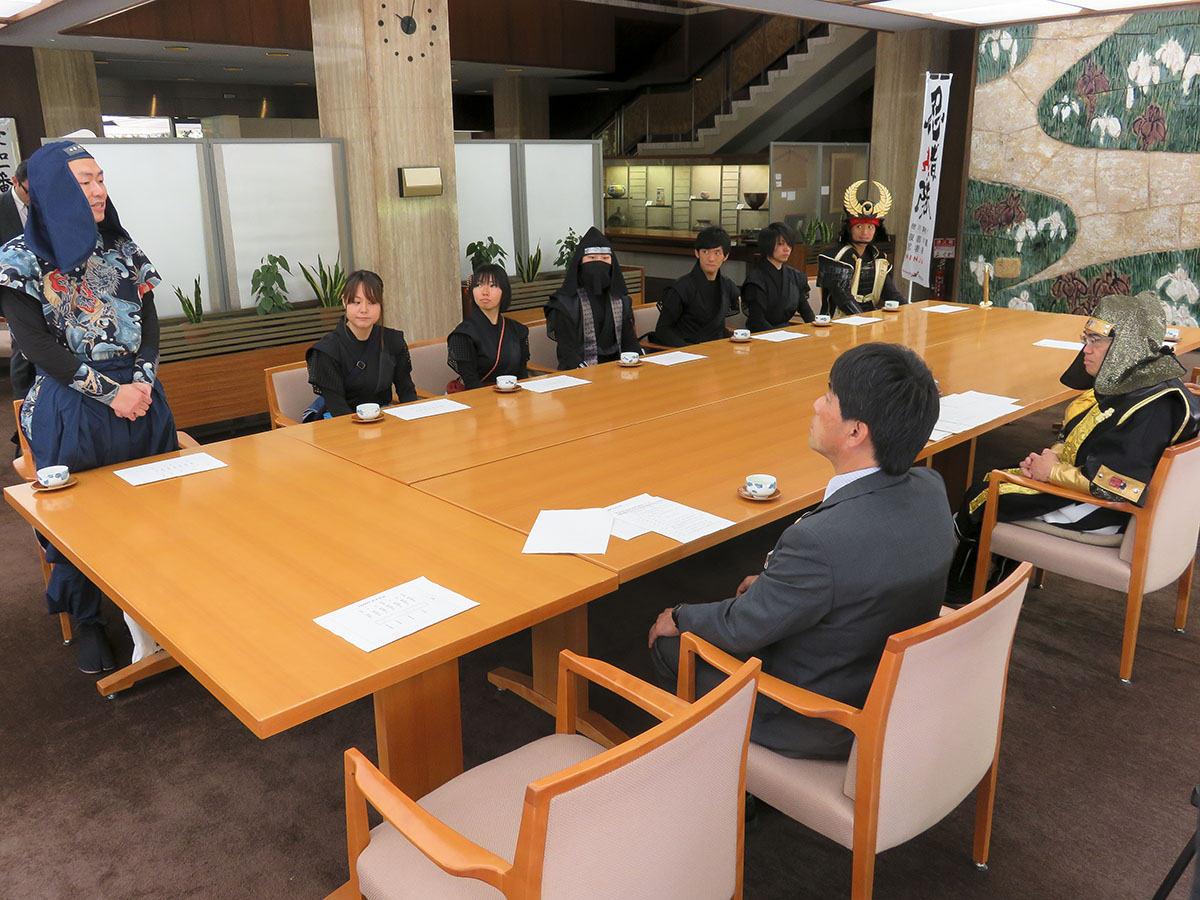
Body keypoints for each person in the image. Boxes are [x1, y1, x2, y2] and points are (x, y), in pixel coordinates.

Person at [648, 342, 954, 760]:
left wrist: (681, 615)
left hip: (816, 718)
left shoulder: (821, 541)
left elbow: (743, 627)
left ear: (854, 432)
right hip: (887, 690)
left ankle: (728, 782)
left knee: (669, 643)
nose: (816, 403)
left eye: (829, 397)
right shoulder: (930, 489)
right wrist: (784, 586)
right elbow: (859, 573)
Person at [0, 141, 179, 674]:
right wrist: (111, 393)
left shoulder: (121, 247)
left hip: (142, 398)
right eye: (85, 181)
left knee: (159, 506)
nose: (99, 190)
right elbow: (38, 347)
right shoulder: (18, 260)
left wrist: (142, 381)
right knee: (79, 520)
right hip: (70, 401)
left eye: (101, 178)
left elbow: (149, 324)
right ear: (55, 189)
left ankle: (161, 606)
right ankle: (89, 622)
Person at [957, 292, 1199, 543]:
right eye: (1086, 339)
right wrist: (1054, 456)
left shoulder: (1154, 407)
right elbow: (1083, 432)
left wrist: (1052, 472)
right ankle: (1006, 573)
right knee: (998, 474)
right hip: (1091, 489)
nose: (1086, 349)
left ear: (1126, 346)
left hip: (1106, 512)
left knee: (982, 496)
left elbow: (1118, 485)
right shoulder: (1133, 382)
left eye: (1095, 340)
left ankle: (966, 581)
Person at [304, 269, 417, 419]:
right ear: (344, 301)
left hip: (382, 418)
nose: (364, 310)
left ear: (381, 304)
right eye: (356, 302)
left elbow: (407, 391)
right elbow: (338, 410)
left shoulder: (393, 340)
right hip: (339, 424)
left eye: (371, 302)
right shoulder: (326, 351)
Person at [544, 225, 640, 369]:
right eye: (592, 257)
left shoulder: (621, 301)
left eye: (605, 258)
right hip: (579, 374)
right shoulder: (564, 305)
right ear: (580, 262)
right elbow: (567, 353)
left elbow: (630, 342)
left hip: (620, 370)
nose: (599, 262)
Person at [816, 179, 906, 317]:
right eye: (859, 226)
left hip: (870, 319)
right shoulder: (835, 258)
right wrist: (865, 321)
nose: (865, 233)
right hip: (839, 322)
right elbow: (844, 300)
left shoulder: (879, 258)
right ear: (849, 229)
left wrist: (911, 310)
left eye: (870, 227)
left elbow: (891, 293)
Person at [652, 225, 740, 346]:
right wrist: (689, 351)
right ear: (697, 253)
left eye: (717, 253)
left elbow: (719, 327)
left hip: (717, 350)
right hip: (687, 351)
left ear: (726, 256)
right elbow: (663, 330)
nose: (711, 258)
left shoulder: (727, 285)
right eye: (705, 252)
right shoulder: (681, 288)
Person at [446, 263, 529, 390]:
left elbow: (522, 375)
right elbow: (471, 382)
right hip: (476, 397)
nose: (485, 292)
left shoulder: (518, 330)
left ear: (504, 291)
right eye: (478, 285)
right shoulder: (462, 334)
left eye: (492, 285)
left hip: (512, 395)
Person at [2, 159, 36, 405]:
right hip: (12, 290)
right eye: (29, 191)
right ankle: (21, 408)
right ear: (15, 181)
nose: (34, 197)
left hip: (47, 287)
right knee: (23, 349)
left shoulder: (47, 205)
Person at [741, 221, 814, 331]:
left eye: (789, 244)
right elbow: (757, 321)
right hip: (762, 335)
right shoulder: (756, 280)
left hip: (785, 333)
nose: (787, 249)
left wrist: (816, 329)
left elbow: (805, 310)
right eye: (781, 244)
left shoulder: (795, 276)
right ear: (768, 245)